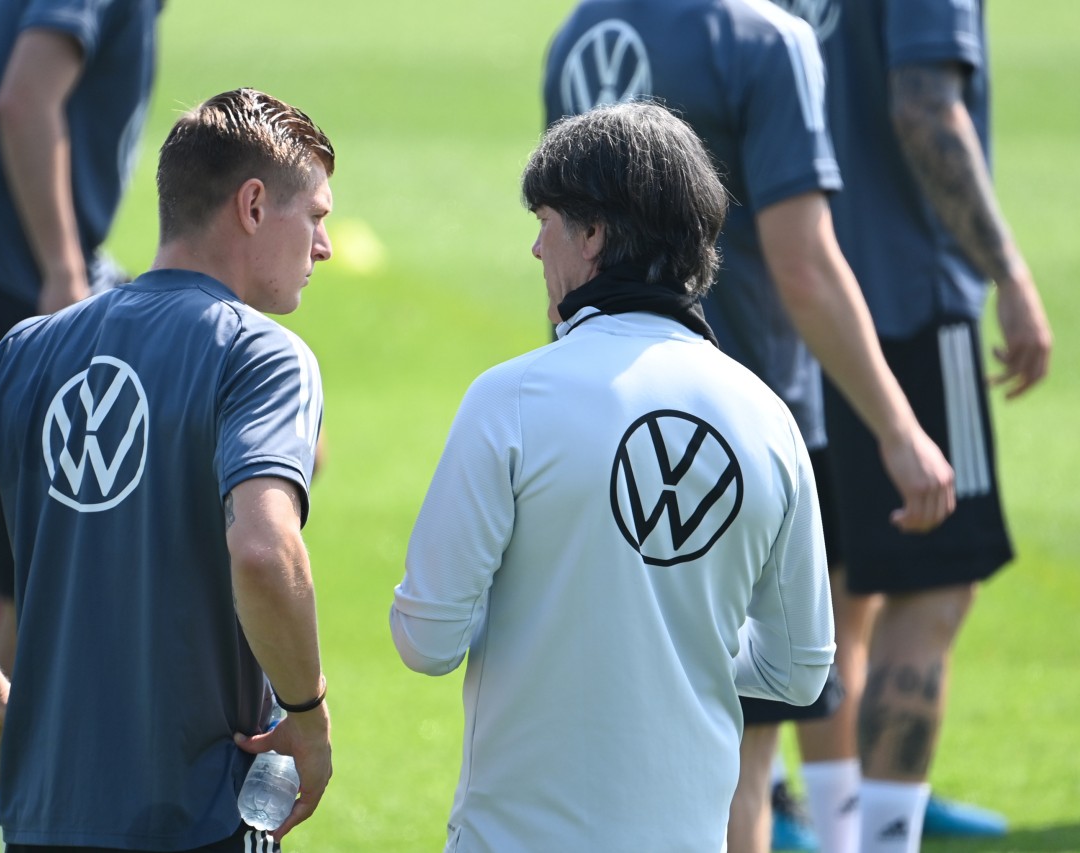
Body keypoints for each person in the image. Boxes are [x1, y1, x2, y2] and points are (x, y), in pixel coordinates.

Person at [0, 88, 336, 852]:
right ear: (255, 205)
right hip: (196, 821)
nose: (325, 247)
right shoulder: (260, 354)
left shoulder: (29, 351)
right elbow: (265, 551)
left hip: (43, 817)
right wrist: (308, 714)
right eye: (318, 217)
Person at [541, 2, 955, 850]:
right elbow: (802, 261)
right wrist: (898, 426)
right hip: (745, 430)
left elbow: (561, 253)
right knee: (740, 751)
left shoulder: (578, 35)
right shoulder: (768, 39)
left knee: (635, 739)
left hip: (600, 424)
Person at [391, 100, 835, 852]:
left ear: (593, 234)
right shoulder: (768, 419)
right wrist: (672, 638)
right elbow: (800, 671)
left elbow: (427, 640)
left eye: (547, 221)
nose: (537, 249)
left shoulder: (510, 399)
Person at [785, 1, 1052, 851]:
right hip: (908, 302)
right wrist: (1005, 271)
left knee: (833, 584)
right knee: (935, 586)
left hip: (800, 300)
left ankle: (838, 825)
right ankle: (885, 831)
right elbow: (924, 104)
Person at [0, 0, 162, 807]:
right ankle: (33, 818)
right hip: (3, 290)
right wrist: (62, 275)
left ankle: (34, 812)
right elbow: (24, 97)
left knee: (41, 577)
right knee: (44, 590)